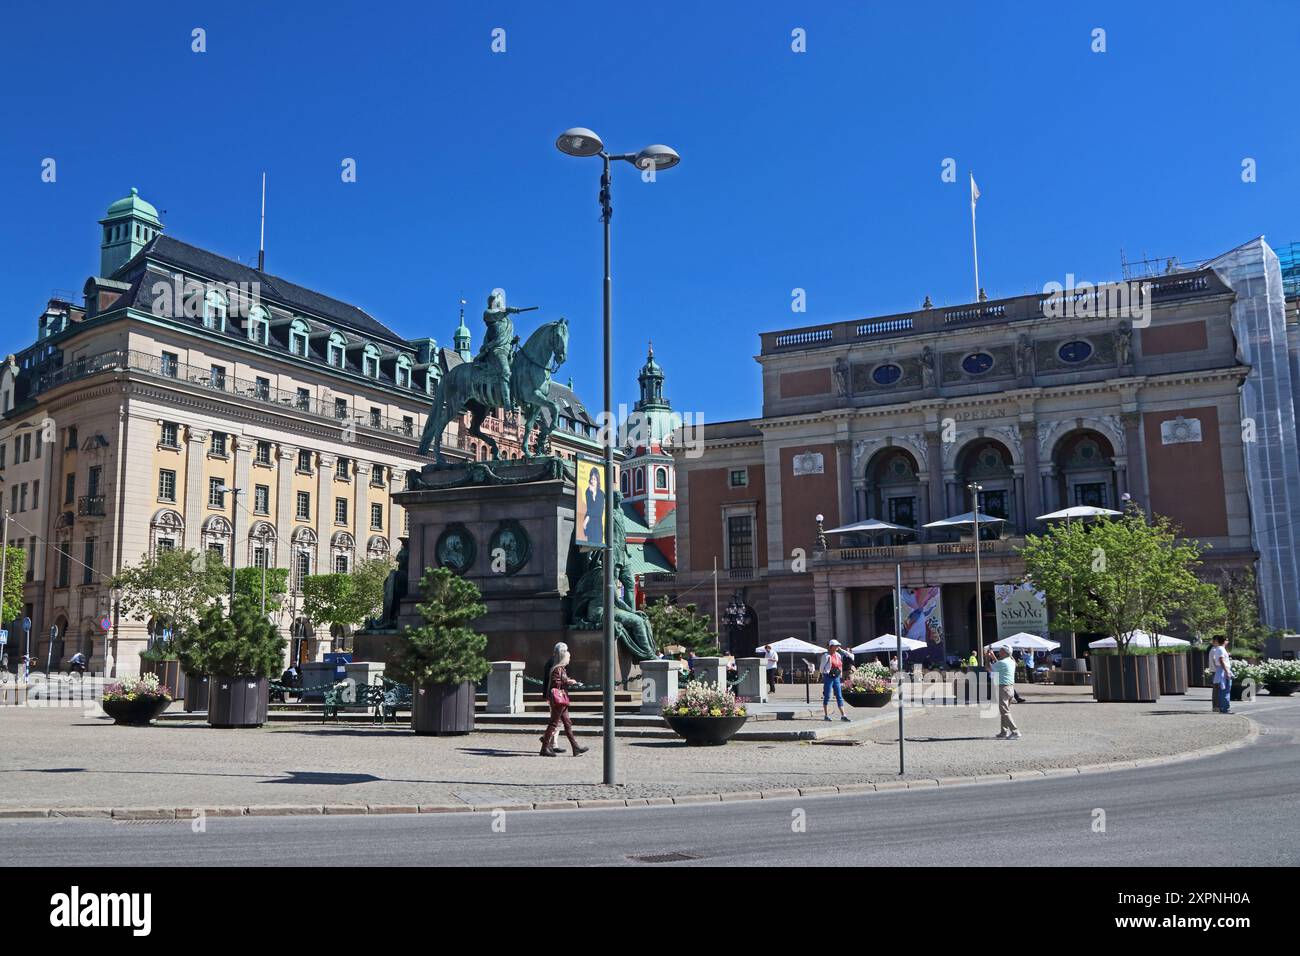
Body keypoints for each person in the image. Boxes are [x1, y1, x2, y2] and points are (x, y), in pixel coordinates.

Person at [540, 642, 588, 757]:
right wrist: (568, 681)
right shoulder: (557, 669)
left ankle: (575, 748)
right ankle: (544, 748)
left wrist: (568, 681)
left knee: (567, 723)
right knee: (553, 724)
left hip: (562, 700)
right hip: (558, 700)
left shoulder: (562, 669)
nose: (569, 660)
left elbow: (560, 681)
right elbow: (555, 683)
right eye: (568, 658)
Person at [988, 646, 1021, 739]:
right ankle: (1004, 732)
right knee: (1005, 711)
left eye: (1001, 651)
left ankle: (1015, 731)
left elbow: (989, 668)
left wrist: (987, 658)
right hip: (1011, 689)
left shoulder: (1003, 662)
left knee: (1004, 711)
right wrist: (993, 656)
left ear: (1005, 653)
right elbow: (999, 664)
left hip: (1003, 688)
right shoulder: (1011, 662)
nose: (999, 652)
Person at [820, 639, 851, 722]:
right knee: (827, 696)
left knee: (839, 696)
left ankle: (843, 715)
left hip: (836, 677)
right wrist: (826, 674)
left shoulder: (838, 655)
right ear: (831, 646)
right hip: (828, 677)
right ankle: (826, 715)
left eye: (838, 645)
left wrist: (840, 674)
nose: (838, 647)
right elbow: (821, 668)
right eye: (836, 645)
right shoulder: (826, 656)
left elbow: (843, 663)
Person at [1209, 635, 1233, 714]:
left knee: (1222, 690)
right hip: (1222, 671)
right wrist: (1226, 671)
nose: (1227, 641)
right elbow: (1221, 660)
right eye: (1226, 640)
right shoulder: (1220, 649)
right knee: (1224, 690)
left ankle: (1221, 707)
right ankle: (1223, 708)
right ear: (1223, 641)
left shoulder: (1218, 649)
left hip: (1220, 670)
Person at [582, 468, 605, 545]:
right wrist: (591, 495)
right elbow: (590, 507)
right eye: (591, 479)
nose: (592, 481)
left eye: (594, 479)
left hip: (597, 523)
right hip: (590, 524)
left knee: (598, 545)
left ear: (598, 480)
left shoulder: (601, 494)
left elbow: (599, 511)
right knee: (589, 544)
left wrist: (587, 518)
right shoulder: (588, 491)